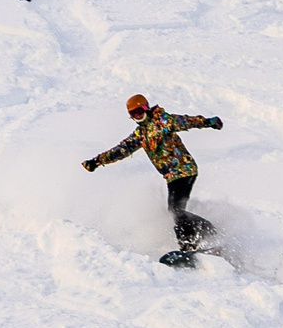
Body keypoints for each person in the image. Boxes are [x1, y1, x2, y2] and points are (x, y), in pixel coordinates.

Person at [82, 95, 223, 248]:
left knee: (175, 209)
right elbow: (121, 150)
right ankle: (207, 229)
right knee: (174, 211)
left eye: (139, 112)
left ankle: (188, 244)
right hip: (171, 176)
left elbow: (186, 121)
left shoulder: (163, 121)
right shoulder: (140, 134)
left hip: (185, 169)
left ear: (146, 108)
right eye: (133, 114)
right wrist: (97, 161)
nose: (137, 116)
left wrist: (208, 122)